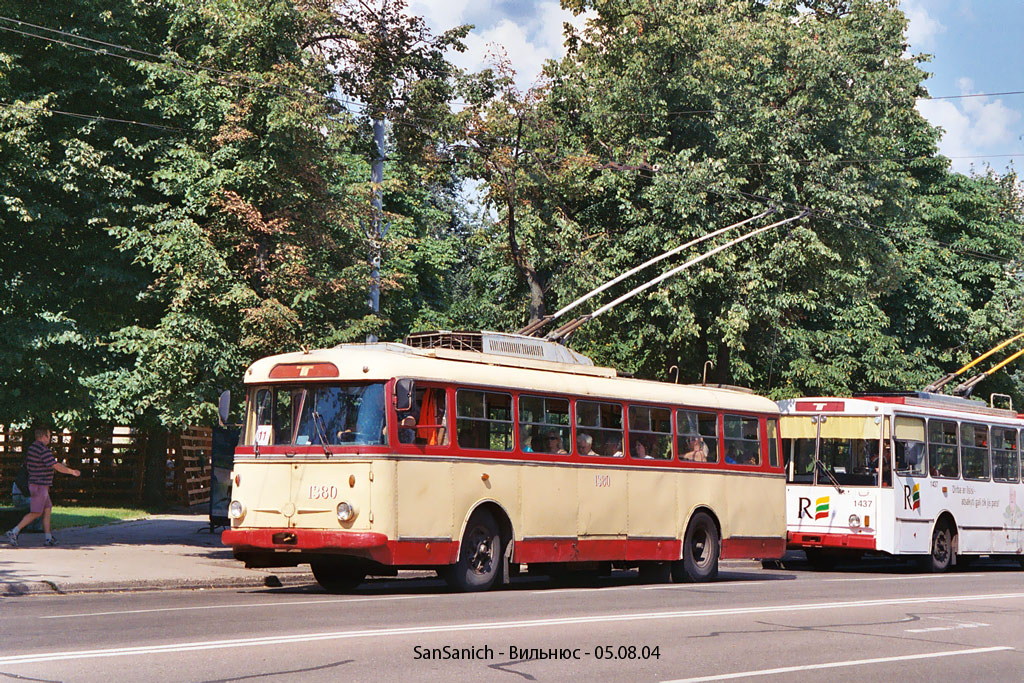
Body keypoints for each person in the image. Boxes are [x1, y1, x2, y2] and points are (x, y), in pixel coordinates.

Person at [5, 427, 80, 547]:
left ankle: (48, 537)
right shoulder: (42, 450)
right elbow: (55, 465)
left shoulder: (32, 448)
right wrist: (71, 471)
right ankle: (14, 532)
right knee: (36, 512)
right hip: (40, 486)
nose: (49, 438)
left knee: (47, 509)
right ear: (43, 436)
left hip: (38, 485)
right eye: (49, 436)